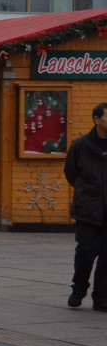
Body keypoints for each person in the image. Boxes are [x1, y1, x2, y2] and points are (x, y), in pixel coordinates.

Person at [63, 102, 107, 311]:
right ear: (97, 120)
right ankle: (79, 288)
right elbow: (71, 173)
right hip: (88, 210)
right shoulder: (81, 145)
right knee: (86, 251)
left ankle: (102, 297)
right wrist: (86, 193)